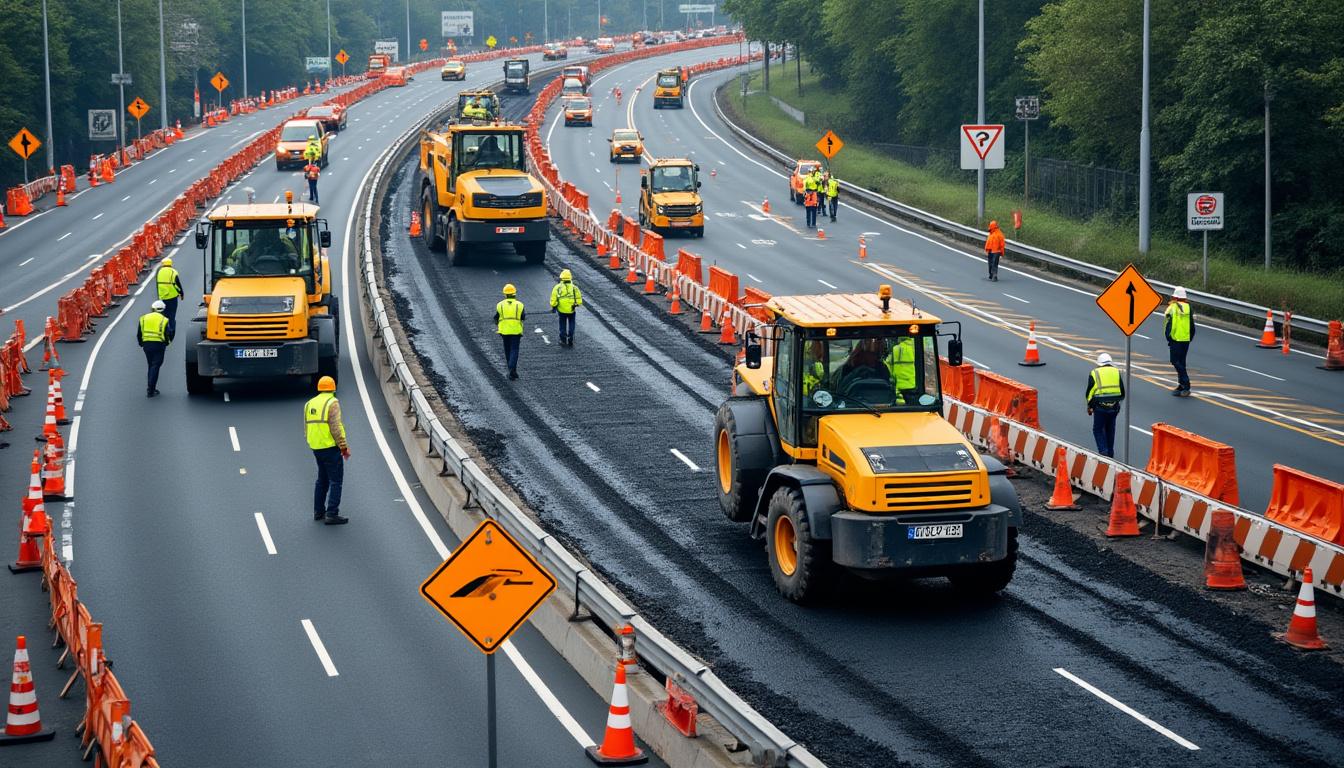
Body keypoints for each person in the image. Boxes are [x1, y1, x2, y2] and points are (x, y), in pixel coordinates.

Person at [304, 375, 349, 525]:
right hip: (330, 447)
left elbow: (306, 427)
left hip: (316, 447)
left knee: (322, 480)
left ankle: (318, 511)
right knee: (336, 481)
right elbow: (336, 428)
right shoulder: (332, 402)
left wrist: (312, 443)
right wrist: (343, 447)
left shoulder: (309, 403)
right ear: (333, 389)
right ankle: (331, 513)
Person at [1086, 352, 1125, 458]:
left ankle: (1103, 452)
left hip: (1100, 407)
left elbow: (1090, 392)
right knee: (1110, 430)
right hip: (1114, 407)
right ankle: (1110, 454)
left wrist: (1089, 407)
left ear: (1099, 364)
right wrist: (1117, 405)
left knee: (1098, 429)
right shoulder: (1116, 371)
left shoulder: (1095, 372)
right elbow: (1122, 392)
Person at [136, 300, 173, 397]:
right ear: (163, 310)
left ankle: (151, 387)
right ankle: (151, 389)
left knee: (151, 365)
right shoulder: (164, 319)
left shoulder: (143, 318)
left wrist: (141, 343)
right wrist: (167, 343)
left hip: (147, 345)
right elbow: (168, 333)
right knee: (155, 365)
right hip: (159, 345)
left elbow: (139, 333)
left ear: (152, 309)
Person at [1164, 286, 1195, 397]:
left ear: (1176, 297)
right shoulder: (1188, 308)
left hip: (1175, 339)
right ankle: (1181, 385)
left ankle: (1186, 384)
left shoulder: (1173, 307)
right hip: (1185, 339)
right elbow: (1192, 325)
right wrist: (1190, 337)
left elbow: (1168, 323)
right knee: (1181, 362)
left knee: (1175, 361)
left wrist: (1168, 337)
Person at [495, 283, 526, 379]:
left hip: (504, 331)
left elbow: (496, 317)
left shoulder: (500, 305)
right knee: (514, 350)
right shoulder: (520, 305)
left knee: (507, 350)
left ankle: (511, 369)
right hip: (516, 331)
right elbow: (523, 317)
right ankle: (513, 369)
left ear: (505, 294)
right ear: (515, 293)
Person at [549, 269, 583, 347]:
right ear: (570, 278)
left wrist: (554, 306)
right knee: (572, 323)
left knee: (562, 324)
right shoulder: (575, 288)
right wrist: (575, 304)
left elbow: (553, 299)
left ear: (561, 278)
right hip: (571, 310)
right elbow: (579, 300)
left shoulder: (557, 288)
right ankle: (571, 337)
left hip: (561, 310)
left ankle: (563, 340)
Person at [154, 256, 185, 336]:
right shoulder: (173, 272)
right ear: (170, 264)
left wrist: (159, 296)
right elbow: (177, 283)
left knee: (163, 314)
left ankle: (162, 329)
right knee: (172, 314)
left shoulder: (159, 272)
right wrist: (181, 293)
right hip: (172, 297)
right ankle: (171, 331)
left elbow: (157, 285)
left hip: (162, 297)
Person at [884, 336, 918, 404]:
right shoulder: (916, 347)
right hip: (914, 387)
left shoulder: (896, 349)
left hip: (899, 388)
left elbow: (887, 366)